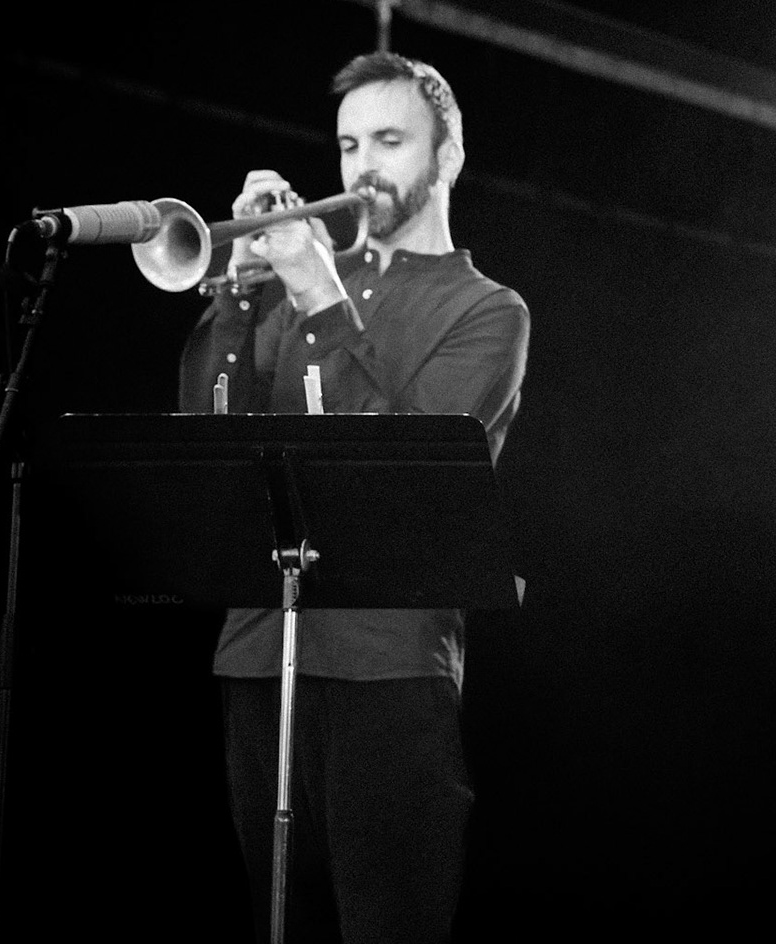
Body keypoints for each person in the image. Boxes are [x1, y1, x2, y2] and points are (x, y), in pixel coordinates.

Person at [178, 52, 530, 943]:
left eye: (388, 140)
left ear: (446, 156)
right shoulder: (299, 293)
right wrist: (236, 297)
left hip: (389, 657)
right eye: (346, 144)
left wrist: (316, 290)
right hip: (260, 648)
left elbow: (398, 463)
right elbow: (206, 443)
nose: (361, 166)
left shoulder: (487, 310)